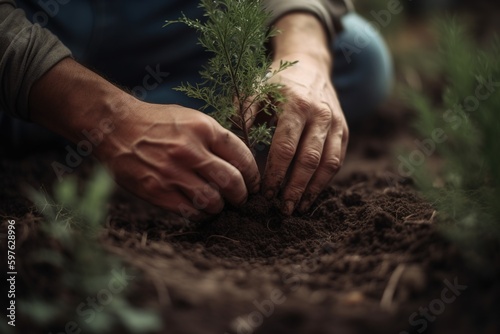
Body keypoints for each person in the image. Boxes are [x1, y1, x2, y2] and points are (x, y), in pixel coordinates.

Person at [0, 0, 393, 220]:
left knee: (354, 55)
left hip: (157, 18)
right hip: (25, 17)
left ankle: (48, 124)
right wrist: (109, 119)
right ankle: (53, 108)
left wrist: (303, 53)